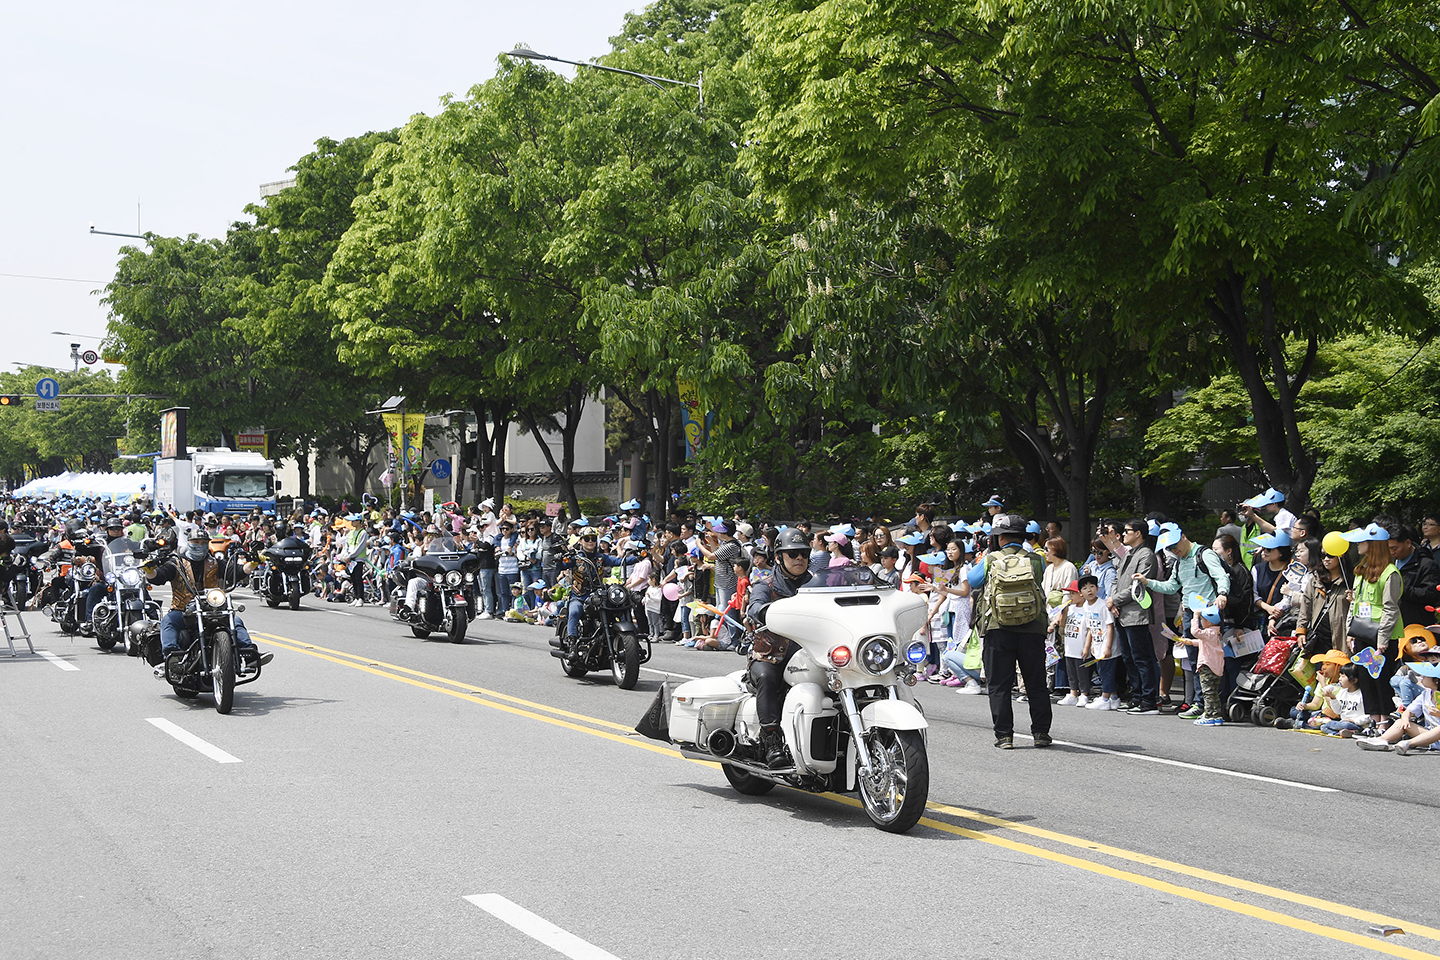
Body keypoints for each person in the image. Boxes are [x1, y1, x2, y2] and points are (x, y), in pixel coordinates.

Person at [954, 513, 1053, 750]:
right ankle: (1040, 733)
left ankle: (1005, 736)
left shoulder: (991, 559)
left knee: (999, 684)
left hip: (998, 628)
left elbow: (974, 581)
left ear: (999, 539)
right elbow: (1039, 579)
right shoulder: (1036, 560)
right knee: (1035, 682)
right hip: (1032, 628)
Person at [147, 533, 271, 678]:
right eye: (196, 542)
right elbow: (159, 577)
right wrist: (150, 571)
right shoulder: (176, 562)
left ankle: (250, 655)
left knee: (235, 621)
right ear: (189, 543)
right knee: (168, 621)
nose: (199, 545)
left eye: (203, 542)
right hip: (183, 609)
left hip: (213, 608)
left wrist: (253, 563)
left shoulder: (215, 562)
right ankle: (171, 658)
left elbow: (235, 572)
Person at [744, 528, 815, 767]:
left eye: (804, 553)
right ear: (778, 557)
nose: (799, 559)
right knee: (766, 677)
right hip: (772, 656)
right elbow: (753, 606)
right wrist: (764, 611)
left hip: (811, 654)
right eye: (792, 553)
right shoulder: (766, 584)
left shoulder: (817, 584)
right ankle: (771, 740)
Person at [1109, 519, 1161, 714]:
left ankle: (1149, 700)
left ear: (1138, 533)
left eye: (1127, 531)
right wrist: (1113, 600)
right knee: (1129, 658)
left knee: (1142, 658)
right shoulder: (1129, 554)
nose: (1123, 534)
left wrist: (1115, 601)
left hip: (1137, 614)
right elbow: (1116, 578)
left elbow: (1138, 588)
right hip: (1122, 613)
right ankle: (1136, 696)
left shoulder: (1146, 555)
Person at [557, 527, 626, 652]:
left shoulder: (601, 557)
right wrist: (558, 559)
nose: (590, 541)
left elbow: (617, 561)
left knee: (618, 608)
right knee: (574, 612)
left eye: (593, 539)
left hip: (598, 597)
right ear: (581, 541)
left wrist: (638, 558)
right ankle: (572, 643)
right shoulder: (575, 557)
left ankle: (627, 640)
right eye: (587, 539)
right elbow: (563, 564)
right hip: (579, 596)